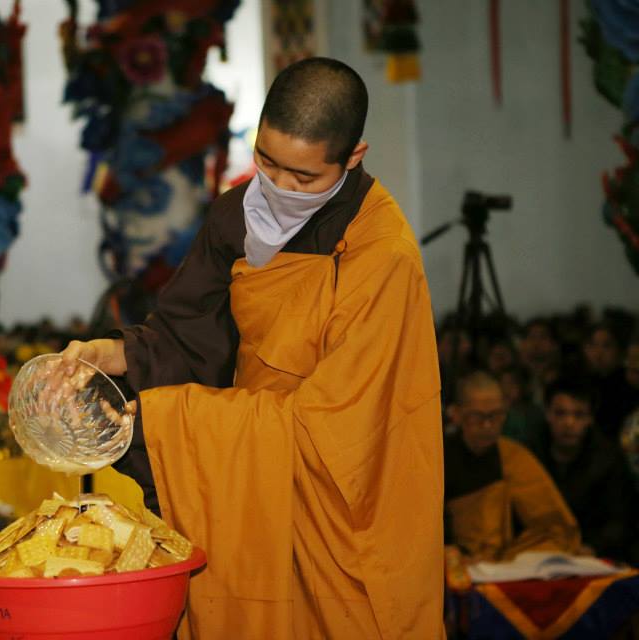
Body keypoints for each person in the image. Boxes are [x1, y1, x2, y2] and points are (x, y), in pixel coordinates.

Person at [61, 57, 443, 639]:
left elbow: (339, 427)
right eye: (267, 161)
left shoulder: (381, 253)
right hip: (249, 480)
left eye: (305, 178)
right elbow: (195, 336)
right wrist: (115, 355)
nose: (281, 189)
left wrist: (169, 422)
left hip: (344, 501)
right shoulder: (235, 214)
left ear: (353, 157)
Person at [444, 371, 580, 562]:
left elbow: (552, 527)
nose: (487, 425)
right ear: (456, 414)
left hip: (504, 564)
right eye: (477, 416)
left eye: (496, 416)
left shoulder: (514, 457)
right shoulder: (441, 460)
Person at [530, 376, 637, 562]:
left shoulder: (608, 460)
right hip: (539, 552)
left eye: (579, 415)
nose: (569, 423)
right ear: (547, 414)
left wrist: (592, 547)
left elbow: (620, 521)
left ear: (590, 419)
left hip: (594, 556)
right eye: (560, 413)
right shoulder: (530, 454)